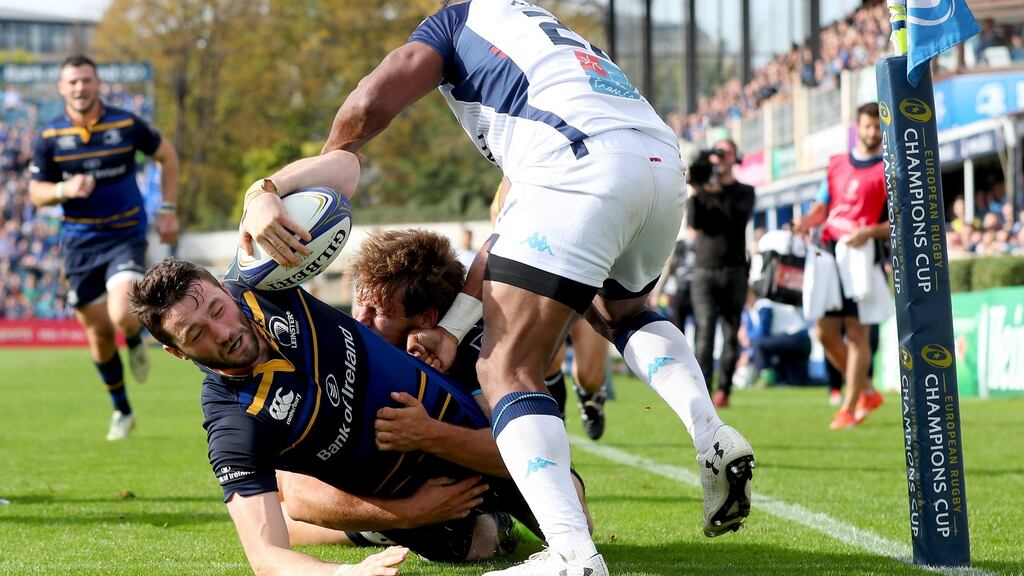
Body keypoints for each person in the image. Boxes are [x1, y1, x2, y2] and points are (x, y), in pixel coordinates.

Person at [246, 2, 756, 573]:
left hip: (579, 165)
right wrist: (455, 327)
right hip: (659, 164)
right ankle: (710, 433)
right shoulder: (544, 35)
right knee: (622, 314)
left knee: (505, 367)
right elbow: (506, 230)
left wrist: (316, 169)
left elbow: (372, 99)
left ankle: (570, 553)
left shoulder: (459, 23)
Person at [279, 229, 595, 560]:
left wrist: (429, 434)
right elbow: (299, 498)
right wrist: (406, 512)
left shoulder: (481, 351)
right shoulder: (339, 350)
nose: (361, 320)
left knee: (574, 519)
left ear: (428, 317)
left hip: (477, 465)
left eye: (379, 311)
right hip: (403, 487)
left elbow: (524, 452)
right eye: (360, 303)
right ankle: (385, 531)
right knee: (476, 542)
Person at [28, 54, 180, 441]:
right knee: (97, 334)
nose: (80, 87)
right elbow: (36, 193)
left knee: (124, 313)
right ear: (62, 88)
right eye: (73, 82)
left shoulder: (126, 124)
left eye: (86, 80)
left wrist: (167, 209)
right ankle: (122, 410)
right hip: (79, 244)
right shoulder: (48, 137)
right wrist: (64, 189)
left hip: (124, 235)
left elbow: (167, 156)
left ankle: (132, 336)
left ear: (98, 84)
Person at [793, 102, 888, 430]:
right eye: (867, 126)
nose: (872, 132)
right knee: (824, 332)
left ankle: (849, 408)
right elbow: (823, 206)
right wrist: (805, 223)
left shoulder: (890, 168)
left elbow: (900, 220)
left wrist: (869, 232)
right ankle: (867, 390)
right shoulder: (836, 164)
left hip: (862, 255)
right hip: (830, 251)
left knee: (858, 332)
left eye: (877, 126)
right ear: (857, 127)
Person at [686, 139, 756, 408]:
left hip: (735, 270)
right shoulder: (703, 190)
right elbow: (695, 222)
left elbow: (736, 219)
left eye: (726, 152)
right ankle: (704, 388)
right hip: (704, 271)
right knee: (704, 331)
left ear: (735, 157)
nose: (721, 157)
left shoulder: (744, 191)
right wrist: (697, 189)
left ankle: (724, 389)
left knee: (730, 332)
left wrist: (715, 191)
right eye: (717, 152)